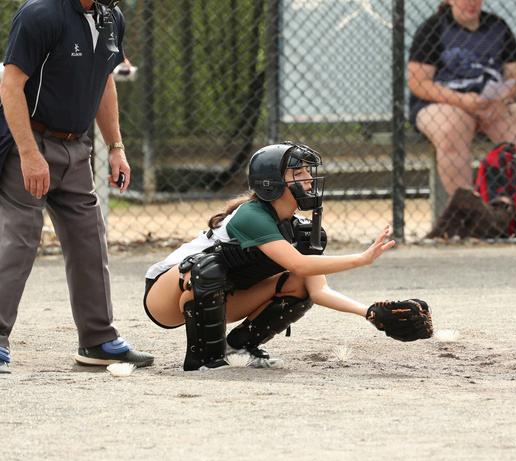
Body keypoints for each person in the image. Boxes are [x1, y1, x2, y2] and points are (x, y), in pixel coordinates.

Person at [143, 142, 432, 371]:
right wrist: (361, 259)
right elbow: (298, 263)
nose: (308, 179)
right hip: (167, 295)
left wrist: (368, 312)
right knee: (208, 268)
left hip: (224, 297)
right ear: (271, 183)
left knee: (300, 283)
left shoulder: (300, 230)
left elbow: (317, 289)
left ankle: (239, 347)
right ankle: (205, 359)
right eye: (298, 173)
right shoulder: (251, 215)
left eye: (307, 172)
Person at [0, 0, 153, 374]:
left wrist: (116, 147)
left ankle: (98, 339)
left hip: (76, 146)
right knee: (19, 239)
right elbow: (11, 85)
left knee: (89, 237)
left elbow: (104, 82)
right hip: (29, 141)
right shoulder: (40, 14)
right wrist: (28, 154)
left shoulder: (111, 17)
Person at [407, 0, 516, 237]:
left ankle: (507, 211)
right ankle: (471, 215)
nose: (471, 3)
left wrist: (501, 99)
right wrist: (462, 101)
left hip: (490, 103)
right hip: (445, 103)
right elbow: (418, 82)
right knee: (450, 128)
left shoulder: (497, 26)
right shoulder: (433, 28)